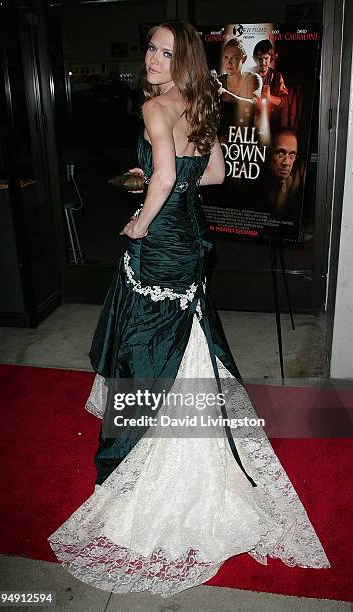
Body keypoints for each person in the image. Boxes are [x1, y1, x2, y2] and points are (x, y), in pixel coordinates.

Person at [48, 21, 329, 597]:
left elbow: (169, 175)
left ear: (184, 61)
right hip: (193, 244)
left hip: (162, 248)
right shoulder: (200, 108)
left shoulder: (156, 109)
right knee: (187, 342)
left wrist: (139, 219)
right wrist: (164, 185)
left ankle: (146, 456)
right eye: (149, 48)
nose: (152, 58)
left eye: (164, 52)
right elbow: (217, 172)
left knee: (150, 345)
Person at [215, 38, 262, 134]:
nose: (229, 62)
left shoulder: (253, 79)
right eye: (226, 57)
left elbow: (255, 103)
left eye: (234, 58)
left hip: (245, 139)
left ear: (243, 59)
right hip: (222, 139)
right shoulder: (219, 81)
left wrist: (225, 94)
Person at [253, 39, 288, 129]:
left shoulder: (277, 76)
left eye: (266, 58)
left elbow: (284, 101)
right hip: (249, 124)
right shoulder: (247, 74)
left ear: (271, 58)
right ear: (254, 58)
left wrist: (270, 98)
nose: (263, 63)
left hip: (271, 126)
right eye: (260, 59)